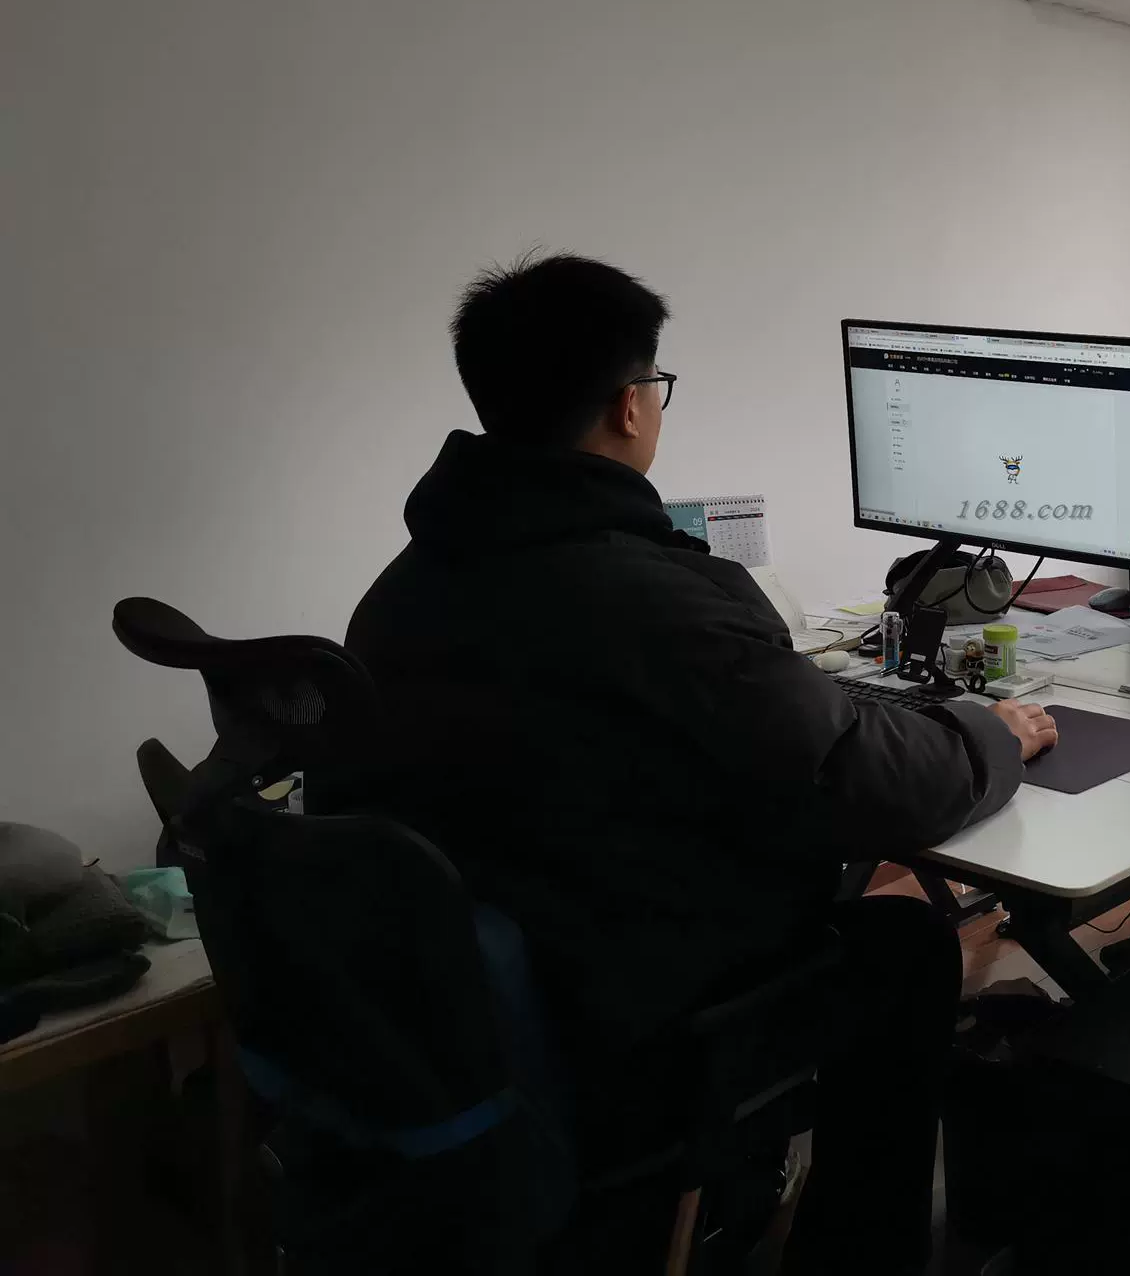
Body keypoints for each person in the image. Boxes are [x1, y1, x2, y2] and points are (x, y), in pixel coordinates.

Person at [345, 252, 1057, 1271]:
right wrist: (991, 733)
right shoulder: (655, 600)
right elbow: (864, 778)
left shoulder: (402, 587)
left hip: (477, 1001)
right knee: (904, 946)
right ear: (630, 405)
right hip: (633, 1020)